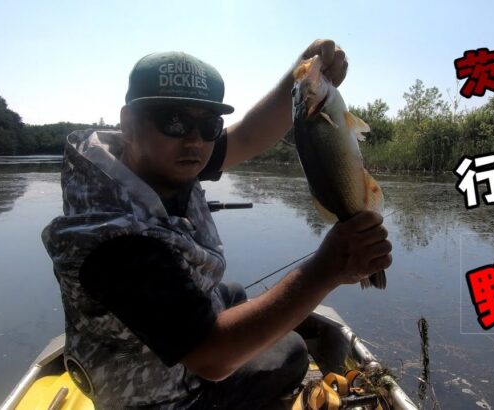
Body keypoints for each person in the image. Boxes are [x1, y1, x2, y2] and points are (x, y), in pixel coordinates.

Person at [42, 39, 392, 409]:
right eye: (173, 120)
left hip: (163, 342)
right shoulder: (113, 240)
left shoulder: (153, 158)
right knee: (290, 351)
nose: (194, 139)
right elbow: (213, 358)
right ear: (128, 124)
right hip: (158, 398)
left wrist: (300, 77)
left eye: (209, 124)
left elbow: (247, 135)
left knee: (233, 293)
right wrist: (328, 268)